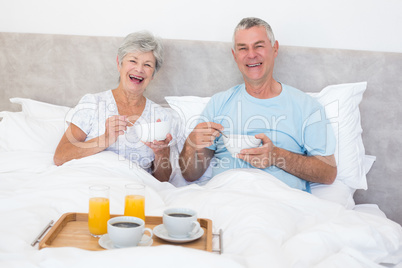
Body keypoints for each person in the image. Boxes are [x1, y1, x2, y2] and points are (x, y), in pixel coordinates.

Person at [179, 17, 337, 192]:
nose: (251, 54)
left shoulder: (306, 106)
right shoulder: (219, 103)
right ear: (235, 55)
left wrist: (276, 156)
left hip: (280, 202)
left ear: (275, 48)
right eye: (243, 48)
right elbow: (190, 174)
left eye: (258, 46)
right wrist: (190, 144)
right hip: (225, 196)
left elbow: (328, 172)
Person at [54, 31, 173, 182]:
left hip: (133, 190)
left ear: (153, 74)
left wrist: (161, 154)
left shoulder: (160, 117)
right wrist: (105, 139)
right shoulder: (92, 103)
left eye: (148, 65)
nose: (139, 69)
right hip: (89, 184)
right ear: (119, 63)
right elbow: (60, 156)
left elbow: (163, 180)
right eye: (133, 61)